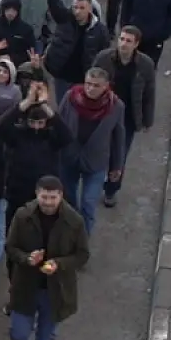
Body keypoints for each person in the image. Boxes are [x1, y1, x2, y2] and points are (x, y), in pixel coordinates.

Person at [4, 176, 90, 340]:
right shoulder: (23, 216)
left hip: (56, 291)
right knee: (18, 334)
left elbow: (82, 255)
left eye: (53, 197)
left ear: (60, 196)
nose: (48, 202)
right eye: (44, 197)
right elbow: (10, 247)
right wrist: (27, 258)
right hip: (25, 287)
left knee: (45, 339)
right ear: (37, 194)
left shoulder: (74, 221)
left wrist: (58, 264)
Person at [92, 27, 157, 208]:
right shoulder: (104, 58)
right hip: (103, 113)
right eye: (121, 39)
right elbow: (90, 82)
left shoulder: (145, 65)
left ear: (136, 44)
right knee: (98, 149)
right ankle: (95, 181)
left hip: (127, 118)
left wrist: (147, 120)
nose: (123, 44)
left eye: (128, 41)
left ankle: (111, 189)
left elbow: (149, 93)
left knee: (119, 154)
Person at [56, 67, 127, 231]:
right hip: (69, 157)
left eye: (96, 85)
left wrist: (117, 166)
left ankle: (83, 238)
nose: (90, 88)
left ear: (106, 86)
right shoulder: (71, 97)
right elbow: (57, 124)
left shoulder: (116, 106)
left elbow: (118, 138)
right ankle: (69, 235)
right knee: (68, 201)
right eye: (88, 83)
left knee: (88, 204)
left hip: (96, 161)